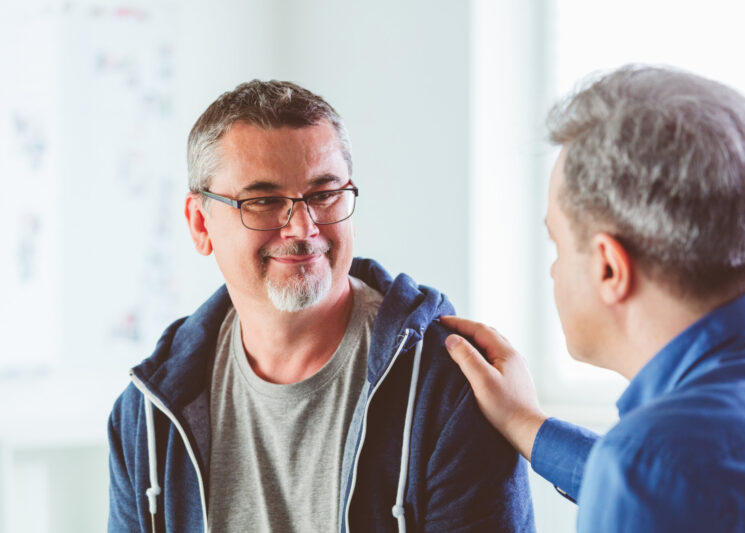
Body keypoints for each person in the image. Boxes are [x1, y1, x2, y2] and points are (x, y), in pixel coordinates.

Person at [107, 80, 534, 533]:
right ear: (200, 224)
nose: (302, 228)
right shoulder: (147, 416)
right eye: (265, 201)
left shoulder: (450, 386)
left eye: (323, 194)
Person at [442, 65, 745, 532]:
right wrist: (525, 423)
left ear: (609, 267)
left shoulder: (651, 467)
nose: (553, 268)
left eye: (559, 245)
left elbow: (663, 476)